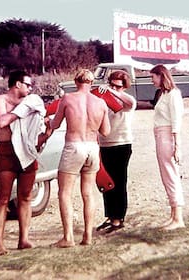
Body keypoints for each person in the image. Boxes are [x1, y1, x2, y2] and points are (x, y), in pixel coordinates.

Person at [48, 69, 111, 247]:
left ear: (76, 82)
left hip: (74, 147)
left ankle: (68, 237)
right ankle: (88, 236)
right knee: (88, 193)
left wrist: (48, 123)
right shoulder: (100, 102)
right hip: (92, 147)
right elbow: (106, 131)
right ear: (92, 83)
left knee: (65, 193)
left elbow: (55, 123)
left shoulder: (68, 99)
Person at [0, 70, 49, 256]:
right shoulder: (1, 100)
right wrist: (22, 112)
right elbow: (1, 122)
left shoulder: (31, 103)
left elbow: (38, 134)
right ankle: (0, 244)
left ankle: (23, 239)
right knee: (3, 198)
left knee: (25, 197)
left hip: (26, 152)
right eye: (28, 85)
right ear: (17, 84)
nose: (31, 88)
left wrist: (47, 132)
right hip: (7, 151)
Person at [95, 70, 137, 234]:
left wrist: (111, 91)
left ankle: (119, 218)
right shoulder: (104, 101)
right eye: (111, 84)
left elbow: (131, 102)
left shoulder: (127, 102)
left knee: (119, 182)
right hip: (105, 144)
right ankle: (110, 216)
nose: (114, 88)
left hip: (121, 144)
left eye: (118, 86)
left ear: (124, 87)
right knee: (106, 183)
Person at [149, 64, 185, 230]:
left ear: (161, 76)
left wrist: (177, 145)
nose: (152, 80)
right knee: (167, 175)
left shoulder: (173, 95)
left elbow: (177, 120)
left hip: (167, 136)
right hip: (160, 136)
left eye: (153, 77)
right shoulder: (163, 94)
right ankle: (173, 216)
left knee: (171, 175)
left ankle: (178, 218)